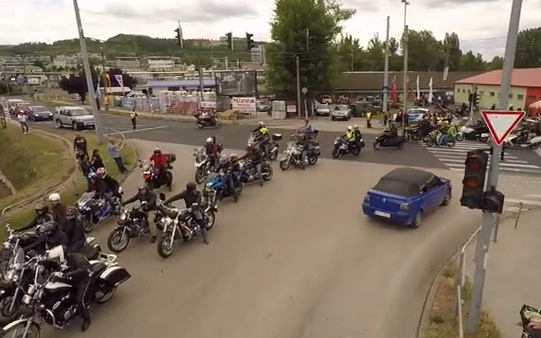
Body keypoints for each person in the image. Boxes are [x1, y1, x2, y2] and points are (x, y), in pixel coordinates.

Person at [48, 245, 92, 331]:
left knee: (80, 300)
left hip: (85, 278)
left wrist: (68, 274)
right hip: (75, 277)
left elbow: (83, 270)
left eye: (56, 258)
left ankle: (87, 319)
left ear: (61, 255)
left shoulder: (77, 258)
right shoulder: (67, 258)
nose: (56, 261)